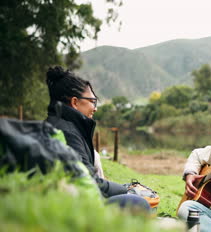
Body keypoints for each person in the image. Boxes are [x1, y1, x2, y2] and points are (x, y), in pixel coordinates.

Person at [44, 66, 149, 211]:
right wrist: (126, 190)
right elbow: (89, 181)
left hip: (71, 199)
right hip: (75, 206)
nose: (95, 108)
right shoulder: (67, 132)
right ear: (75, 102)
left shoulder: (61, 124)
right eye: (93, 101)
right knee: (139, 203)